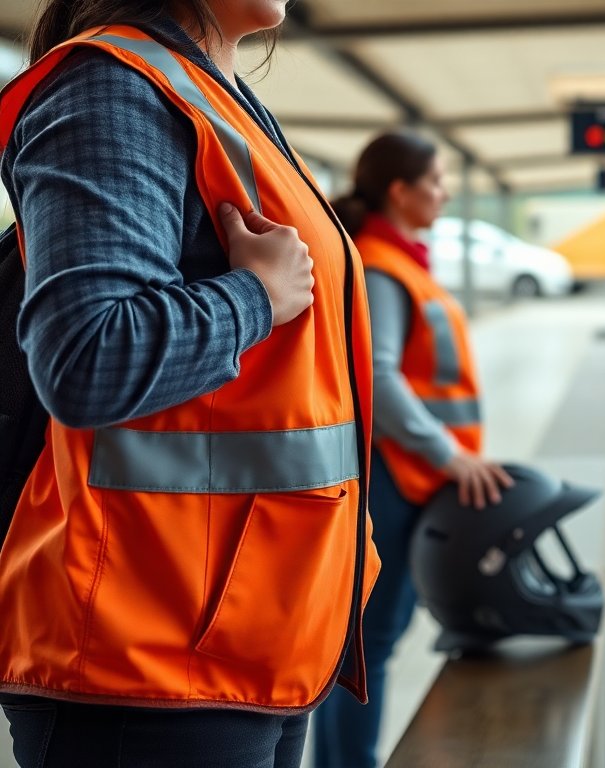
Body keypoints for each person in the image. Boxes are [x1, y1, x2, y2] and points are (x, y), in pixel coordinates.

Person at [0, 2, 380, 766]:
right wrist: (257, 297)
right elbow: (87, 356)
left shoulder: (219, 102)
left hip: (251, 634)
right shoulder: (114, 87)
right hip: (148, 656)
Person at [315, 131, 513, 768]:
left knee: (372, 639)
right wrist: (446, 453)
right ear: (399, 192)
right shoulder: (381, 267)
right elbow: (378, 376)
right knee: (370, 642)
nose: (444, 192)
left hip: (407, 474)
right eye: (435, 181)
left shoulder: (400, 263)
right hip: (396, 475)